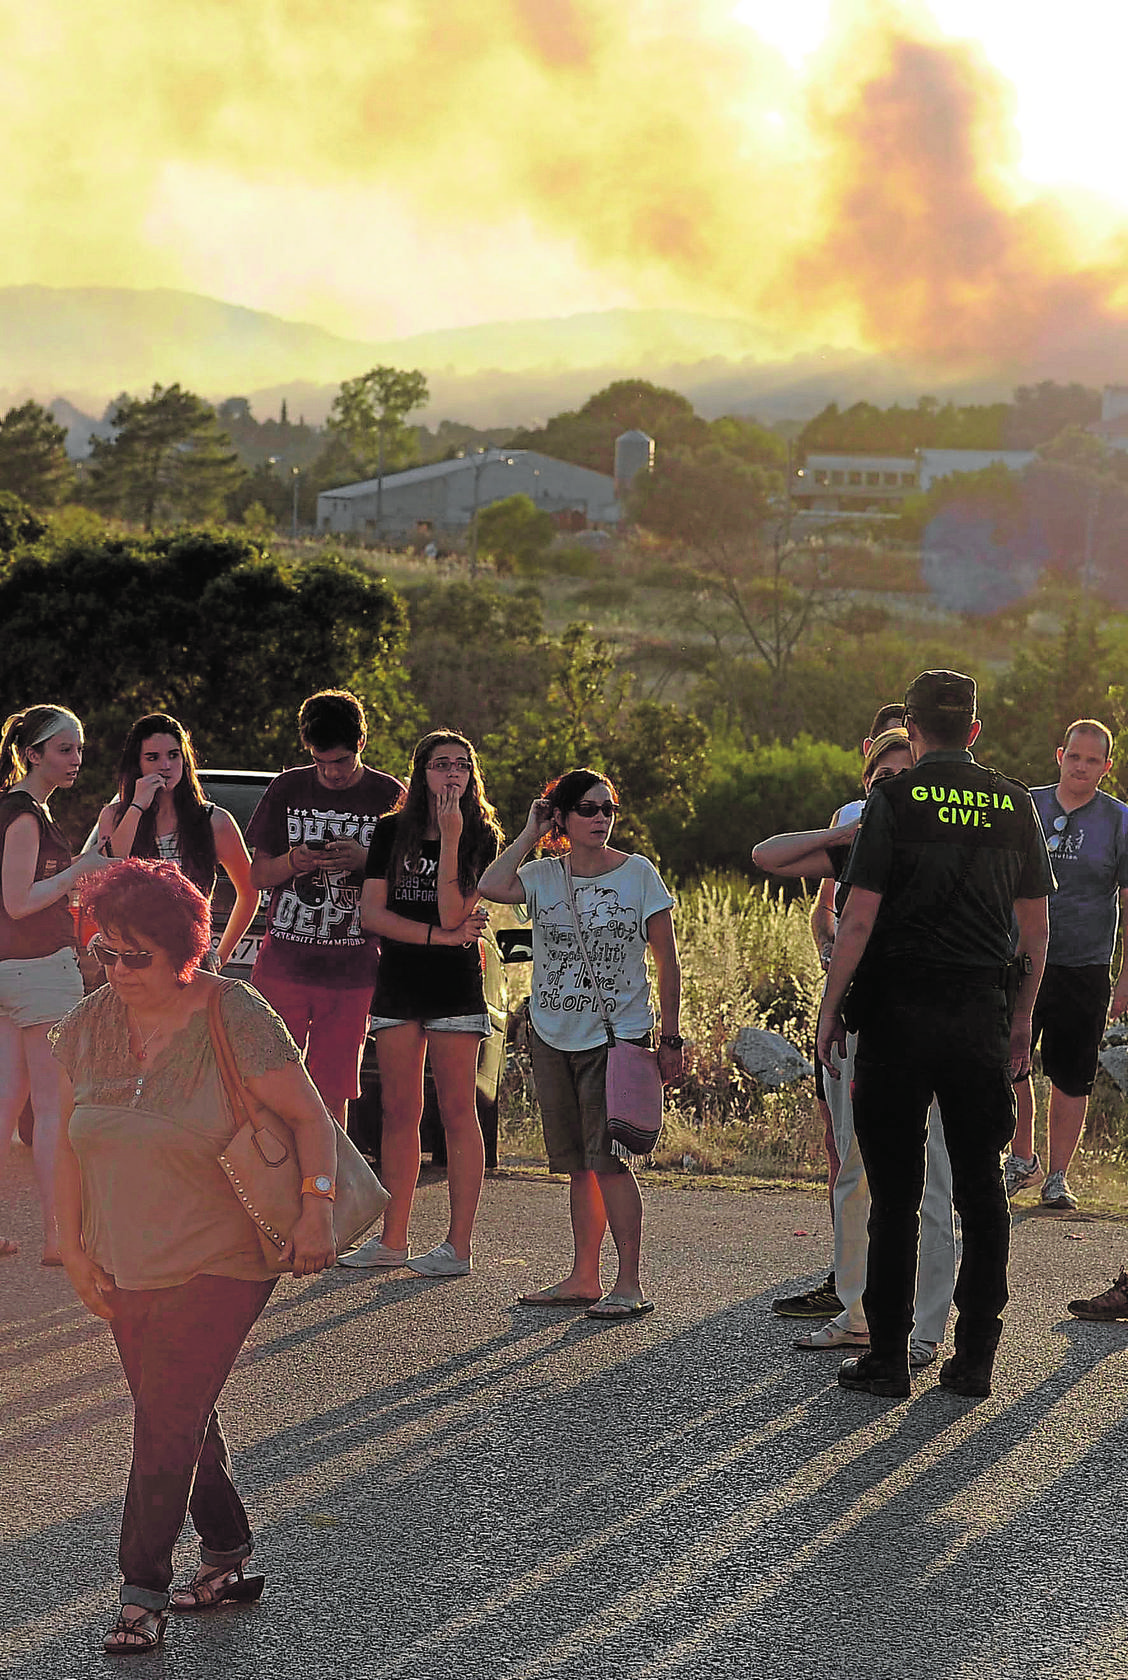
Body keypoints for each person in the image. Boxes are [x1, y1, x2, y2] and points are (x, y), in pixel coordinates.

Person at [51, 858, 339, 1655]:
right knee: (179, 1412)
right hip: (125, 1254)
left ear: (183, 947)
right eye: (106, 951)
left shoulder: (234, 1012)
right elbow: (67, 1145)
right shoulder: (93, 1020)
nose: (117, 969)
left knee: (164, 1416)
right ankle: (228, 1554)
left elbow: (311, 1119)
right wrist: (70, 1245)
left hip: (227, 1252)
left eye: (136, 955)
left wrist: (316, 1210)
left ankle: (140, 1591)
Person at [817, 670, 1053, 1399]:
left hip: (897, 1013)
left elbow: (856, 919)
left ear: (911, 732)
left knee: (896, 1194)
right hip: (979, 1013)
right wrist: (1020, 1021)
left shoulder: (892, 798)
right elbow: (1038, 931)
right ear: (974, 732)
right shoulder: (1014, 802)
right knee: (981, 1193)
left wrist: (830, 1008)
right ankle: (975, 1358)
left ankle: (889, 1359)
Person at [754, 727, 956, 1371]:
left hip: (929, 1022)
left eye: (902, 779)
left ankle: (926, 1326)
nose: (888, 790)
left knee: (932, 1178)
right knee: (854, 1170)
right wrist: (847, 835)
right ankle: (858, 1312)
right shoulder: (856, 839)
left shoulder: (941, 839)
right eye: (878, 782)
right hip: (861, 1021)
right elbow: (769, 857)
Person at [478, 768, 684, 1318]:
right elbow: (490, 886)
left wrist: (670, 1036)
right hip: (551, 1033)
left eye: (607, 809)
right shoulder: (544, 875)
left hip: (616, 1038)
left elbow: (667, 960)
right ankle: (583, 1276)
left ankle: (630, 1282)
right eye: (587, 810)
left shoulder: (638, 873)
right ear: (562, 818)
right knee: (577, 1165)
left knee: (612, 1161)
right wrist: (529, 833)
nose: (600, 819)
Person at [341, 731, 502, 1276]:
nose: (450, 775)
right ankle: (392, 1239)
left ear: (472, 775)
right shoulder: (390, 831)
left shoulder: (483, 835)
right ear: (421, 773)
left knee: (458, 1111)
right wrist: (435, 937)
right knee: (398, 1110)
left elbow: (457, 912)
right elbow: (370, 915)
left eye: (461, 765)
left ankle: (458, 1246)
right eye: (440, 765)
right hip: (400, 982)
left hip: (456, 986)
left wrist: (453, 837)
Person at [772, 700, 907, 1321]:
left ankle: (899, 1292)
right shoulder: (852, 820)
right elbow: (821, 902)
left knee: (909, 1163)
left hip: (904, 1009)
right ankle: (845, 1277)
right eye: (881, 759)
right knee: (843, 1149)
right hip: (846, 999)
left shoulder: (943, 820)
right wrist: (831, 947)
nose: (892, 777)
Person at [245, 689, 404, 1123]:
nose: (331, 772)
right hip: (283, 964)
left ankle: (326, 1184)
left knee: (333, 1093)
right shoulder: (287, 788)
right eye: (321, 761)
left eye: (341, 761)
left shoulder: (389, 796)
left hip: (352, 970)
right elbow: (258, 875)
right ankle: (273, 1184)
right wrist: (294, 861)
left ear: (362, 744)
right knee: (268, 1085)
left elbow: (409, 885)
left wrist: (364, 862)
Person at [1004, 718, 1128, 1212]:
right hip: (1021, 960)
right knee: (1010, 1062)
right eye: (1074, 756)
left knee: (1072, 1074)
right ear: (1060, 755)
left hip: (1086, 964)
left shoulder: (1119, 821)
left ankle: (1058, 1177)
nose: (1081, 766)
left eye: (1092, 760)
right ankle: (1021, 1159)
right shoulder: (1024, 806)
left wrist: (1125, 977)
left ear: (1107, 766)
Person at [0, 705, 109, 1264]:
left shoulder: (24, 812)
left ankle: (52, 1234)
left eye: (79, 749)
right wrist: (75, 873)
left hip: (15, 972)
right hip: (37, 971)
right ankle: (58, 1237)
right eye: (64, 749)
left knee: (10, 1103)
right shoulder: (22, 817)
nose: (75, 759)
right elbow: (16, 903)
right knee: (52, 1110)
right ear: (33, 754)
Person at [96, 712, 259, 970]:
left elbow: (250, 891)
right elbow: (108, 874)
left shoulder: (214, 820)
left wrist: (219, 953)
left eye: (174, 755)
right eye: (153, 757)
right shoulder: (115, 816)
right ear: (136, 764)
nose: (166, 765)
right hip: (133, 959)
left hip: (191, 961)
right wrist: (137, 805)